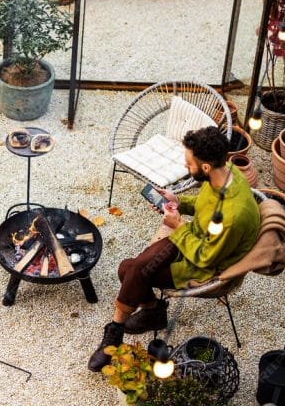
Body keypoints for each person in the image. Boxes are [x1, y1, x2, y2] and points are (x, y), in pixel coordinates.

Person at [88, 126, 260, 372]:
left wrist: (178, 225)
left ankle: (116, 333)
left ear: (206, 167)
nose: (186, 167)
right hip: (193, 238)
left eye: (189, 164)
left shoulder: (233, 214)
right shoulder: (225, 171)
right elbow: (204, 205)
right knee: (128, 268)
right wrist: (177, 201)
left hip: (204, 264)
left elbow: (205, 258)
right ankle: (150, 312)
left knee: (132, 271)